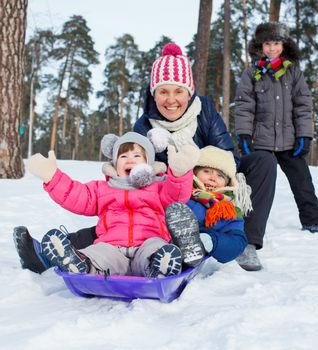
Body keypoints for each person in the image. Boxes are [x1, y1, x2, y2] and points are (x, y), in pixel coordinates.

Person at [13, 42, 247, 273]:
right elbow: (117, 176)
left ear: (189, 93)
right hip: (159, 197)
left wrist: (191, 174)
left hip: (181, 201)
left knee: (154, 230)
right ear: (154, 94)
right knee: (117, 222)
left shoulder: (205, 111)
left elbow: (226, 159)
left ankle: (174, 257)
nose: (171, 99)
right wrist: (53, 177)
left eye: (178, 91)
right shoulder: (144, 126)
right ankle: (50, 255)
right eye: (163, 91)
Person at [25, 131, 204, 277]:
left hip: (147, 243)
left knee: (157, 248)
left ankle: (160, 266)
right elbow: (76, 195)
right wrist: (53, 178)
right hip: (112, 247)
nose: (130, 159)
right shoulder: (102, 189)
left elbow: (176, 195)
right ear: (114, 163)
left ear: (148, 162)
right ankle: (81, 264)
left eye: (137, 155)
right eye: (123, 155)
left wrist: (179, 174)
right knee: (98, 253)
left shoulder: (158, 187)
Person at [234, 22, 318, 270]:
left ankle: (312, 221)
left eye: (276, 43)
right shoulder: (252, 72)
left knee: (302, 180)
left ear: (284, 45)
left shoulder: (293, 72)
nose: (272, 47)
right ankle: (249, 232)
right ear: (260, 46)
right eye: (267, 43)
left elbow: (303, 104)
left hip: (289, 141)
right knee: (257, 185)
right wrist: (244, 134)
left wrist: (304, 135)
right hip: (262, 141)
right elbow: (244, 105)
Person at [186, 145, 250, 263]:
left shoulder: (229, 210)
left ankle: (203, 243)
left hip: (204, 245)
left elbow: (237, 240)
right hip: (173, 239)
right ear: (195, 172)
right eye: (206, 171)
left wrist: (212, 241)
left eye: (220, 175)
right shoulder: (183, 194)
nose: (212, 178)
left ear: (228, 183)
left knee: (239, 240)